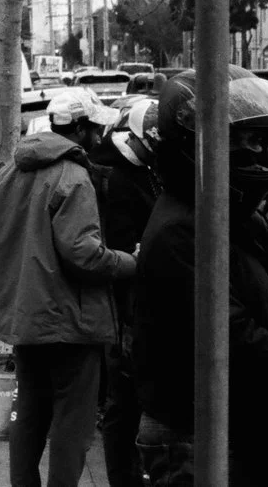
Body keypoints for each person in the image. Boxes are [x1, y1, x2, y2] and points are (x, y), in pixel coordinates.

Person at [132, 69, 268, 487]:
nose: (260, 157)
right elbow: (230, 337)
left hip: (231, 431)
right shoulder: (184, 229)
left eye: (264, 143)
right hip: (196, 436)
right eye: (243, 145)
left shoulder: (231, 215)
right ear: (198, 148)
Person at [0, 85, 138, 487]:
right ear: (82, 129)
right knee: (73, 420)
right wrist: (130, 261)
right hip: (70, 321)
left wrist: (3, 301)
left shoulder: (10, 173)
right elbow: (83, 253)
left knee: (29, 409)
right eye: (95, 129)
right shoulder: (74, 176)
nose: (101, 137)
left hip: (26, 315)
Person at [94, 96, 159, 487]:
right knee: (123, 400)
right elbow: (117, 242)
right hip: (123, 304)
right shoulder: (116, 176)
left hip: (133, 300)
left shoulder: (136, 171)